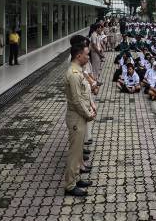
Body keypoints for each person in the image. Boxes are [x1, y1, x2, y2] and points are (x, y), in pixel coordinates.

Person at [64, 44, 96, 197]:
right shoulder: (74, 74)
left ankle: (76, 178)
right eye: (86, 55)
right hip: (77, 117)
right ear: (78, 56)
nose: (88, 57)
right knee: (74, 153)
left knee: (78, 153)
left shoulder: (78, 71)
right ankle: (70, 186)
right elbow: (76, 101)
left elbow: (84, 93)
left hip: (80, 115)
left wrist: (91, 105)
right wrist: (88, 114)